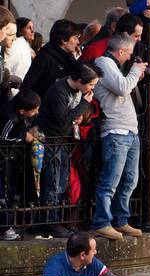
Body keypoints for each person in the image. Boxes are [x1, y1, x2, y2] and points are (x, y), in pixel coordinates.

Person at [91, 33, 148, 240]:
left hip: (129, 131)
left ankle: (120, 220)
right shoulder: (104, 62)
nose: (130, 58)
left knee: (129, 181)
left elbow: (125, 85)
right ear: (121, 51)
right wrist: (135, 71)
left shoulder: (115, 67)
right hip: (115, 130)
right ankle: (102, 222)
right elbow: (122, 88)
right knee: (110, 181)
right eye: (129, 54)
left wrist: (134, 75)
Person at [36, 62, 100, 239]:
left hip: (64, 140)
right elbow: (62, 121)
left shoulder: (78, 91)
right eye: (91, 84)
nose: (92, 88)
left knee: (62, 182)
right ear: (79, 81)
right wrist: (83, 105)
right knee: (53, 182)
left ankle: (57, 221)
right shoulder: (59, 91)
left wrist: (78, 116)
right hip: (52, 140)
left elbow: (69, 118)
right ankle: (49, 223)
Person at [0, 88, 41, 241]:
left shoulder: (17, 114)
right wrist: (23, 136)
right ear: (23, 111)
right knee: (4, 195)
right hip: (4, 161)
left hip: (12, 161)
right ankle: (4, 228)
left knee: (10, 194)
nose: (37, 113)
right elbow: (3, 139)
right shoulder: (10, 118)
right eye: (34, 110)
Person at [20, 19, 81, 99]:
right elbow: (27, 86)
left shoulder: (69, 58)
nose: (78, 42)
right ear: (63, 40)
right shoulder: (45, 57)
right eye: (75, 38)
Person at [5, 18, 34, 94]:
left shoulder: (25, 46)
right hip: (10, 89)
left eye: (32, 28)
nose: (33, 31)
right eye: (29, 28)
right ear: (20, 30)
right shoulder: (15, 45)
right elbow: (7, 66)